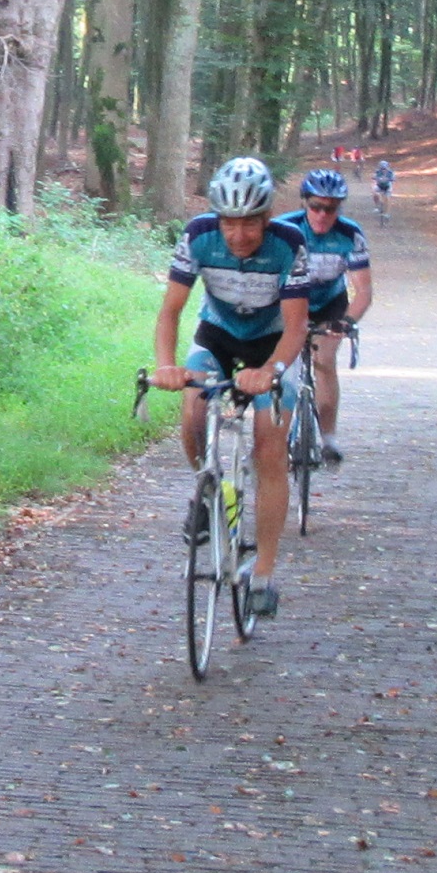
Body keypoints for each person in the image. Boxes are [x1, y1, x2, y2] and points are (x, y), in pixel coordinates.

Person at [149, 156, 308, 618]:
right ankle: (208, 487)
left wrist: (272, 370)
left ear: (266, 219)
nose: (238, 236)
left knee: (270, 447)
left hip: (273, 344)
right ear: (216, 219)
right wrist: (166, 366)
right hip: (216, 336)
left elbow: (296, 328)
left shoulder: (289, 244)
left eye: (250, 225)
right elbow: (171, 311)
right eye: (229, 224)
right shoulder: (198, 236)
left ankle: (263, 575)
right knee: (193, 410)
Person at [289, 168, 373, 460]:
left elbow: (363, 291)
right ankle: (272, 436)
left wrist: (346, 322)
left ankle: (328, 438)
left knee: (324, 361)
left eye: (331, 209)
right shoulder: (284, 229)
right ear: (304, 203)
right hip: (287, 302)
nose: (323, 215)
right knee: (280, 366)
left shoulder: (350, 234)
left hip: (329, 304)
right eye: (316, 207)